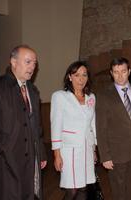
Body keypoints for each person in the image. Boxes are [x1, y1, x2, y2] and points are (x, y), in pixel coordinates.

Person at [0, 45, 47, 200]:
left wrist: (41, 153)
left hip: (29, 159)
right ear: (13, 62)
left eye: (34, 63)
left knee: (27, 194)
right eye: (28, 62)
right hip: (4, 160)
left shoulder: (33, 91)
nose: (32, 67)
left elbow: (36, 126)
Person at [96, 57, 131, 200]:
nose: (120, 75)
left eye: (123, 71)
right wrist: (105, 156)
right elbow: (101, 128)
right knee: (118, 192)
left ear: (129, 71)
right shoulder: (103, 95)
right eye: (116, 72)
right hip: (116, 153)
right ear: (111, 73)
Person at [50, 61, 97, 200]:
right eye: (77, 75)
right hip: (69, 151)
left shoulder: (91, 98)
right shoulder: (59, 96)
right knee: (72, 189)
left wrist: (94, 149)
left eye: (84, 75)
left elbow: (92, 125)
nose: (81, 79)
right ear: (69, 77)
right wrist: (56, 155)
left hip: (87, 149)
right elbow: (56, 125)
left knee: (83, 188)